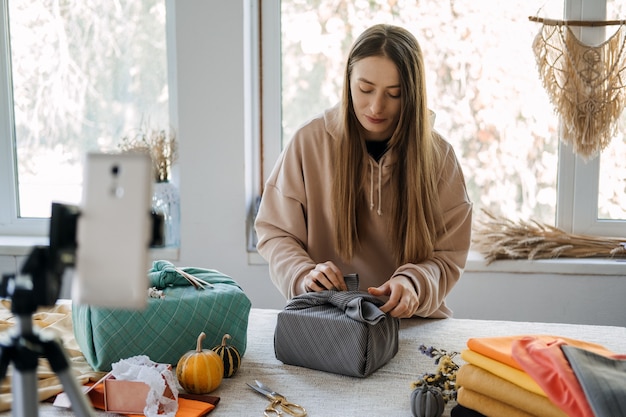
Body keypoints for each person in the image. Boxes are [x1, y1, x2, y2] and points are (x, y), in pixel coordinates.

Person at [254, 24, 472, 319]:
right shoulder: (309, 142)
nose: (376, 106)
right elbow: (274, 232)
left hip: (411, 326)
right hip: (329, 324)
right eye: (365, 89)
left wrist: (413, 284)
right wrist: (303, 274)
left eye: (394, 94)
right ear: (348, 82)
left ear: (412, 95)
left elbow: (448, 256)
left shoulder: (440, 157)